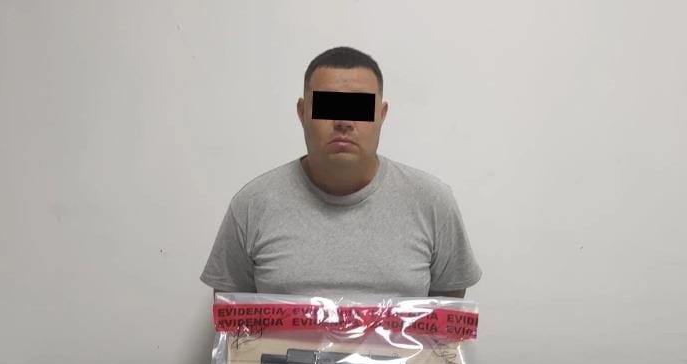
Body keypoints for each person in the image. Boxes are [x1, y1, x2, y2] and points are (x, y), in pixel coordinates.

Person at [201, 46, 481, 299]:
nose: (344, 121)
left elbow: (447, 318)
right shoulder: (252, 205)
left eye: (359, 107)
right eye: (328, 106)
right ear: (302, 112)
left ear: (381, 114)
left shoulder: (433, 203)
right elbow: (230, 316)